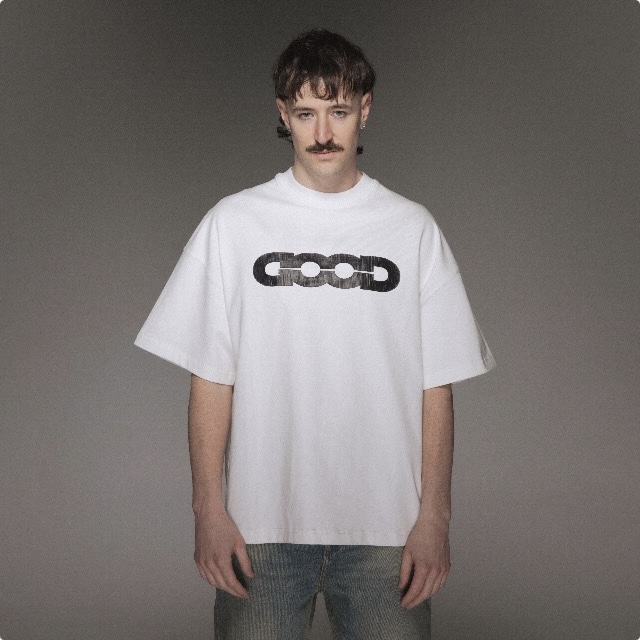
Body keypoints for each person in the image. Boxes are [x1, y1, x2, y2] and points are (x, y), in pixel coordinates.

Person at [135, 28, 495, 640]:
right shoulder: (234, 224)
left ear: (365, 111)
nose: (323, 132)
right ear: (284, 114)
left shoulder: (411, 229)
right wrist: (208, 510)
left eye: (339, 111)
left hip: (386, 530)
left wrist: (435, 518)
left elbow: (437, 385)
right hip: (260, 528)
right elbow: (211, 377)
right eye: (306, 113)